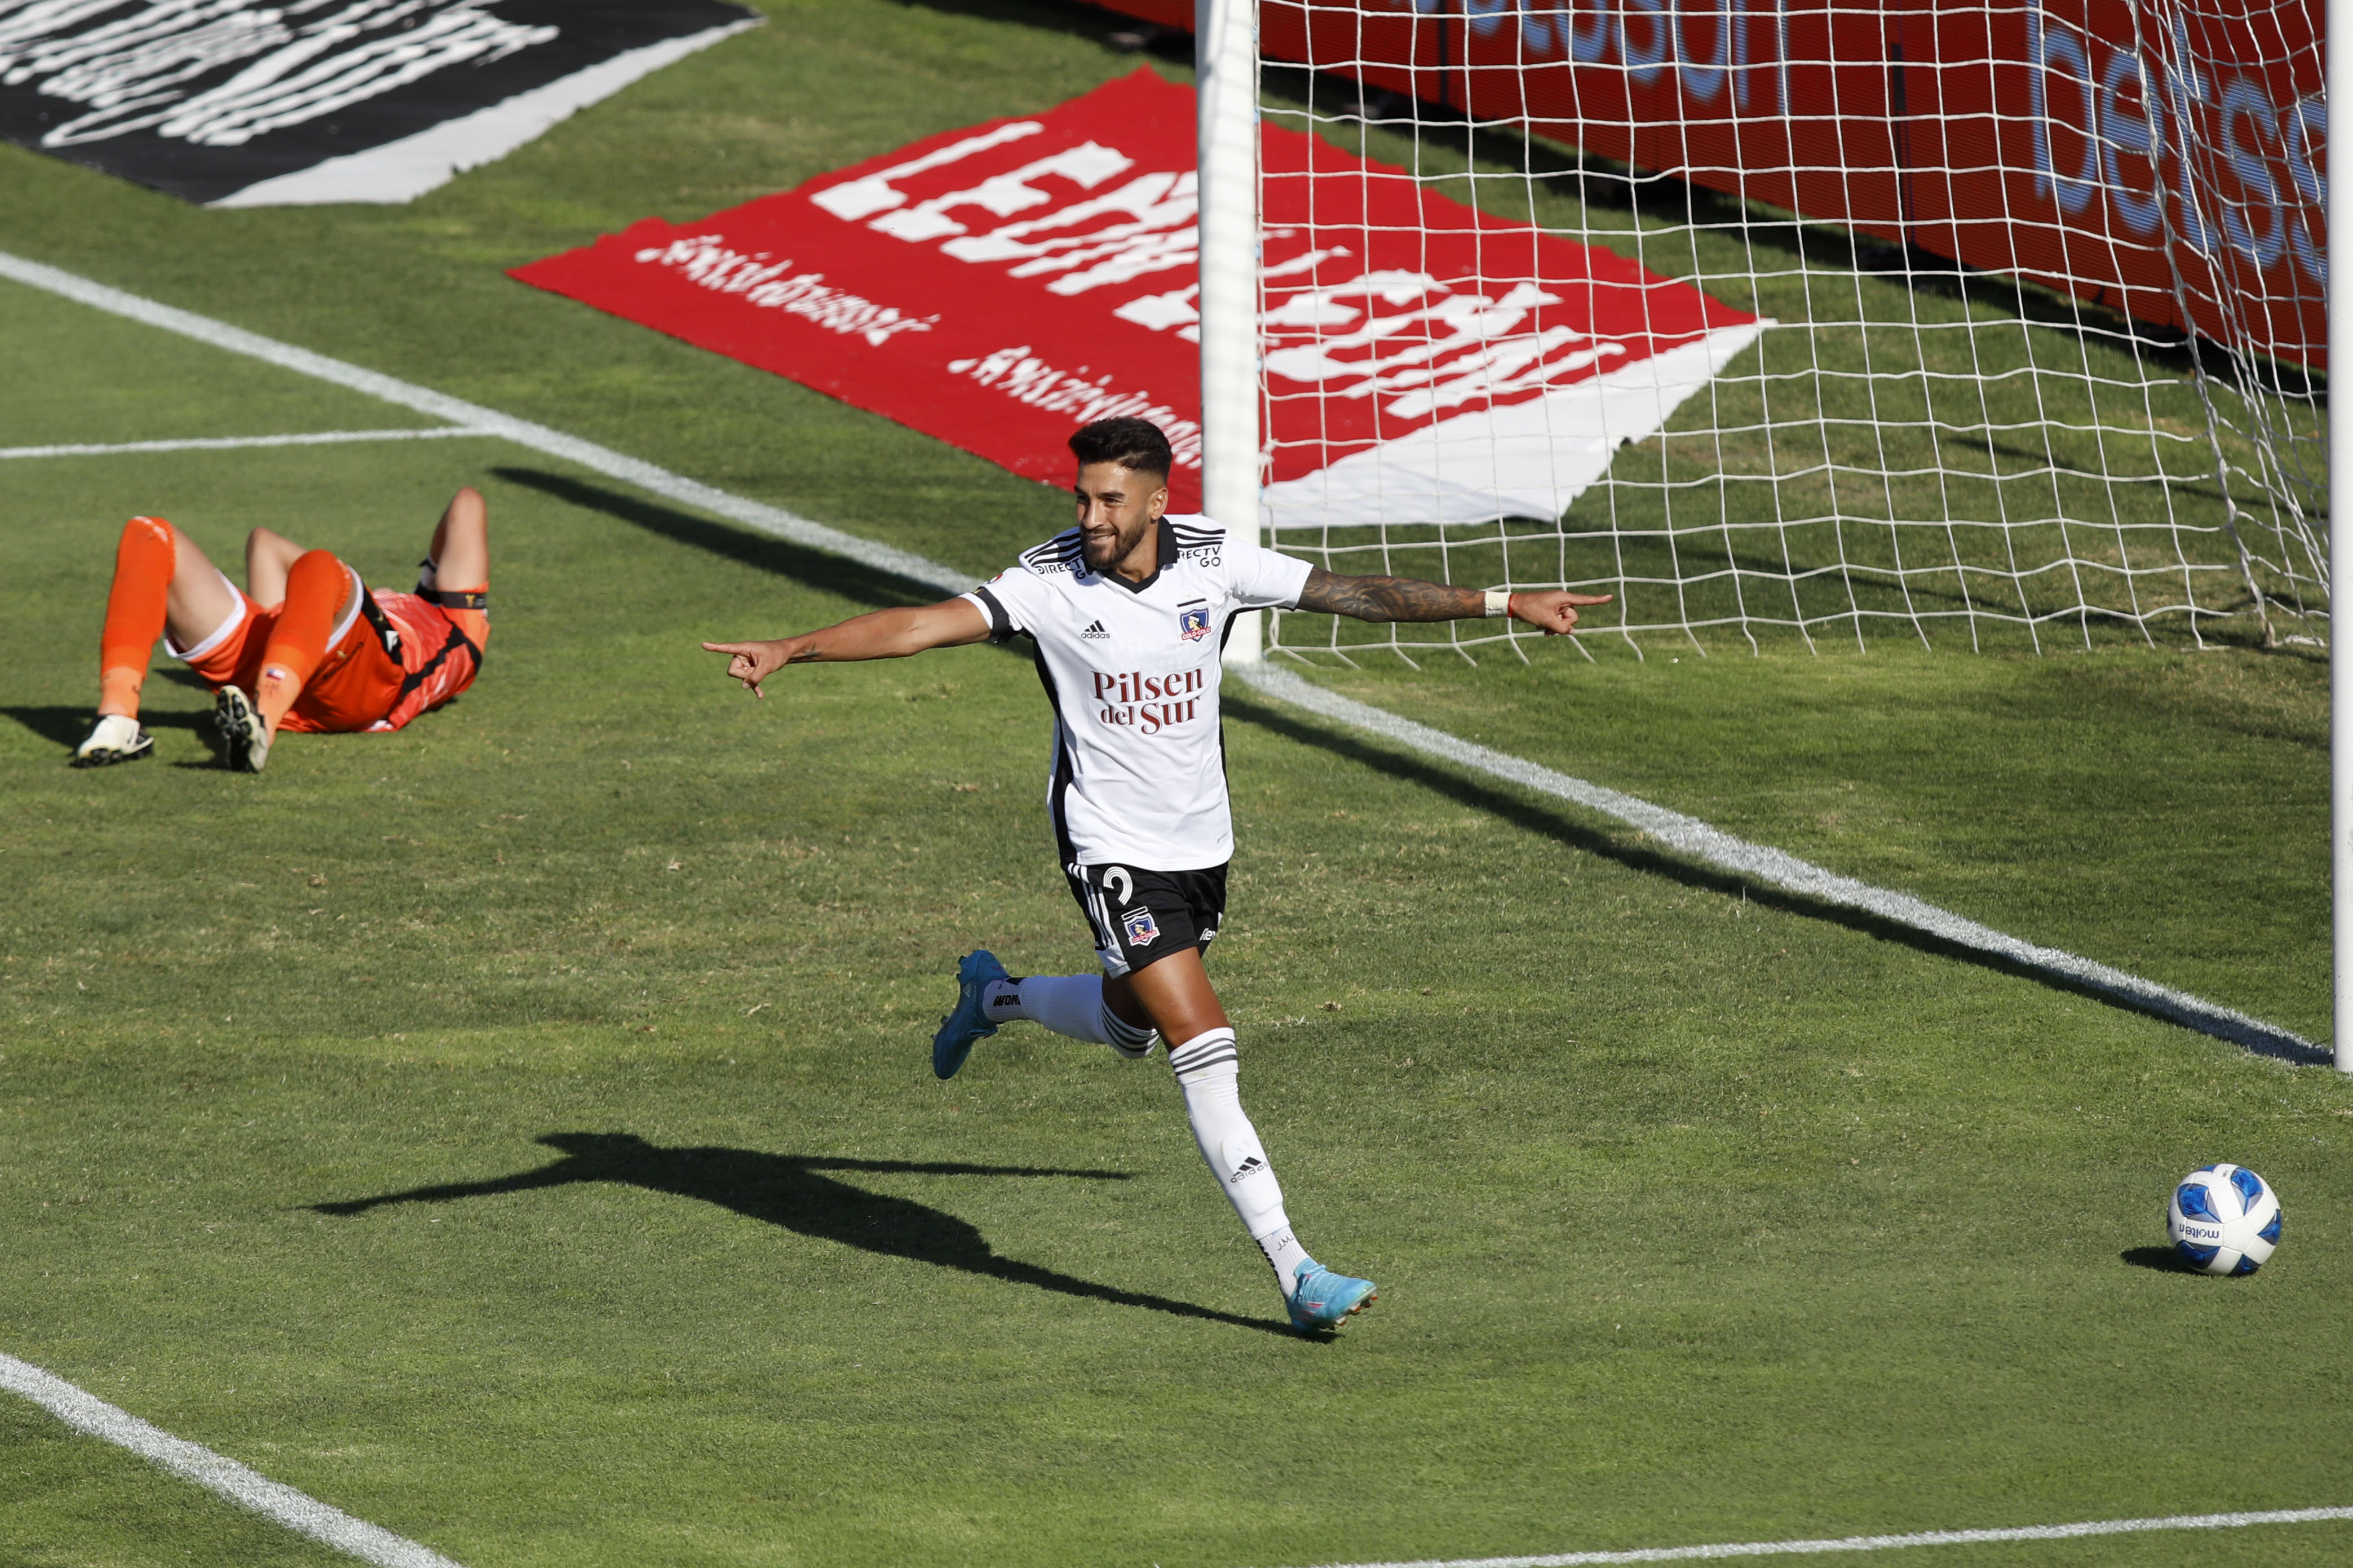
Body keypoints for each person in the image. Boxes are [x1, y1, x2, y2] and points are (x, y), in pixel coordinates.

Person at [702, 418, 1608, 1334]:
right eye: (1081, 498)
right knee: (1201, 1042)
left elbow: (1355, 594)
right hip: (1109, 848)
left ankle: (994, 1000)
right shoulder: (1047, 581)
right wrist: (793, 647)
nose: (1090, 516)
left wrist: (1502, 602)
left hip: (1200, 844)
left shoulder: (1214, 561)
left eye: (1109, 501)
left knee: (1127, 1024)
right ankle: (1294, 1269)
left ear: (1156, 503)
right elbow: (918, 626)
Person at [70, 488, 491, 773]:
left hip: (369, 688)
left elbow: (467, 503)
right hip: (292, 663)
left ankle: (261, 724)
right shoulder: (413, 614)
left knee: (322, 566)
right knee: (150, 534)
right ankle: (118, 718)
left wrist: (430, 575)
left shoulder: (460, 626)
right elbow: (263, 543)